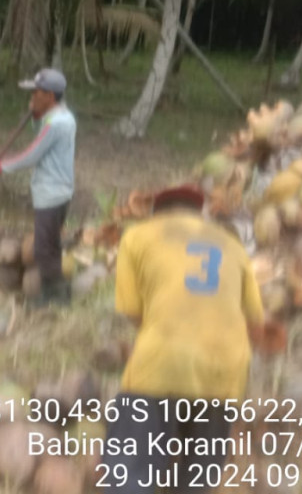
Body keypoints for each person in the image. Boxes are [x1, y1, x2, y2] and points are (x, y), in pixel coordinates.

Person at [97, 184, 265, 494]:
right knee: (195, 482)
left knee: (129, 475)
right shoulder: (232, 245)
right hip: (225, 370)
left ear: (157, 213)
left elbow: (134, 311)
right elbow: (255, 321)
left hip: (162, 363)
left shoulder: (139, 236)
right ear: (199, 215)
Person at [0, 68, 76, 307]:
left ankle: (52, 297)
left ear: (49, 96)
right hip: (59, 190)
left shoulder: (56, 123)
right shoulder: (61, 117)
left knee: (43, 248)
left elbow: (32, 155)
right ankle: (61, 293)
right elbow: (41, 140)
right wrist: (36, 117)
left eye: (36, 92)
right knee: (51, 244)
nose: (33, 96)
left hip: (51, 193)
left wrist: (1, 166)